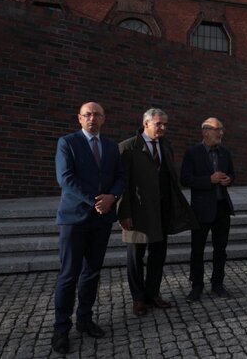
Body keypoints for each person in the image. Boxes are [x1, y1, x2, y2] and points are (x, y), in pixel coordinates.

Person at [52, 102, 125, 354]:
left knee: (92, 272)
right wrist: (98, 200)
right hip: (74, 219)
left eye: (97, 115)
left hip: (101, 220)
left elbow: (121, 177)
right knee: (68, 274)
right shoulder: (67, 143)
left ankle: (84, 319)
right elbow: (66, 179)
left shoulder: (111, 147)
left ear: (104, 119)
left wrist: (112, 197)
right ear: (79, 119)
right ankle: (61, 328)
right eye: (87, 115)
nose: (92, 119)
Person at [117, 108, 198, 316]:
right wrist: (123, 213)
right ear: (146, 124)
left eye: (165, 125)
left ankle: (152, 294)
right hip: (137, 213)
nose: (163, 128)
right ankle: (138, 299)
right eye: (159, 124)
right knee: (135, 257)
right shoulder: (128, 147)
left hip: (162, 211)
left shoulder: (166, 146)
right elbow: (122, 184)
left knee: (158, 255)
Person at [181, 117, 235, 301]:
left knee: (221, 249)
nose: (221, 133)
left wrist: (229, 180)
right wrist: (208, 180)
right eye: (216, 129)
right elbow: (185, 179)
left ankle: (217, 284)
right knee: (197, 250)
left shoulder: (225, 152)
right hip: (201, 209)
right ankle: (196, 286)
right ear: (205, 132)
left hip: (222, 209)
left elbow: (232, 173)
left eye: (222, 129)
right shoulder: (193, 153)